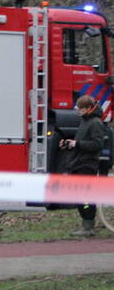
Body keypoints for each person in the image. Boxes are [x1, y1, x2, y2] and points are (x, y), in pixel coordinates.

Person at [59, 94, 108, 236]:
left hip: (87, 165)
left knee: (85, 197)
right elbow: (82, 144)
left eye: (80, 108)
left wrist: (77, 144)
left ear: (87, 108)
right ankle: (86, 225)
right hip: (78, 163)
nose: (78, 110)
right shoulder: (85, 122)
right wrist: (68, 145)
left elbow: (97, 144)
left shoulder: (95, 123)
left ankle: (88, 226)